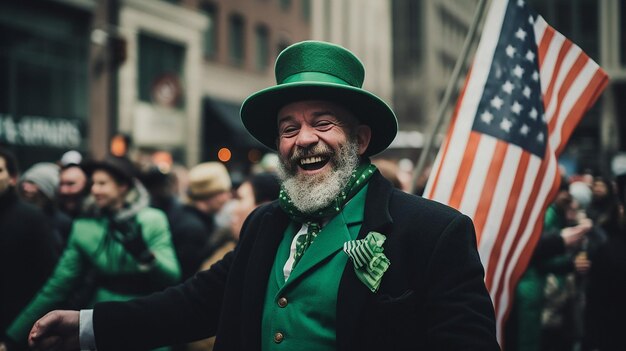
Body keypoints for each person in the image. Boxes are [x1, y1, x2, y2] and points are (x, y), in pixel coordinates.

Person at [27, 41, 498, 351]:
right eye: (288, 128)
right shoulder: (264, 224)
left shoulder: (435, 233)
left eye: (323, 122)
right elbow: (194, 304)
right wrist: (87, 325)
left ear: (360, 140)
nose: (304, 139)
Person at [2, 155, 181, 350]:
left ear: (123, 186)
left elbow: (172, 276)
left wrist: (147, 257)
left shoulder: (152, 220)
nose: (95, 190)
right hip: (103, 320)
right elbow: (58, 286)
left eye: (103, 183)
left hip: (146, 315)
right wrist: (13, 336)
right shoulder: (85, 226)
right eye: (93, 183)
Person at [0, 148, 61, 350]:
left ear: (13, 178)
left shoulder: (32, 219)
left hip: (16, 330)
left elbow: (48, 282)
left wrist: (14, 336)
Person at [18, 162, 72, 247]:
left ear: (47, 190)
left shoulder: (62, 222)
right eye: (25, 182)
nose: (25, 187)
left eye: (32, 183)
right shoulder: (14, 215)